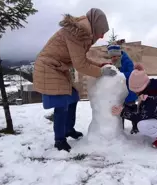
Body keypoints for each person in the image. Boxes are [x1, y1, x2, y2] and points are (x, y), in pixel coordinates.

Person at [33, 8, 117, 152]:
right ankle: (59, 140)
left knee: (73, 97)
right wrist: (101, 72)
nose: (102, 36)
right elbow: (80, 65)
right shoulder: (77, 34)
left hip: (59, 67)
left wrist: (99, 65)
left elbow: (81, 58)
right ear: (95, 27)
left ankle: (68, 129)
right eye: (101, 32)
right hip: (49, 68)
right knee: (61, 104)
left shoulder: (81, 33)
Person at [111, 65, 157, 148]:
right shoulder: (150, 91)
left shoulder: (152, 99)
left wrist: (123, 112)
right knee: (142, 122)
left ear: (140, 88)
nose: (135, 93)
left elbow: (140, 116)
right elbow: (141, 109)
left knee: (142, 125)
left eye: (136, 91)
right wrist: (126, 107)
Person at [106, 42, 139, 134]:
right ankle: (121, 128)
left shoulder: (127, 61)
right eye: (112, 57)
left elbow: (132, 74)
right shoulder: (115, 63)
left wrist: (119, 75)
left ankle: (135, 126)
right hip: (120, 91)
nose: (113, 58)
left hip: (129, 90)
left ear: (119, 54)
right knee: (121, 111)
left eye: (115, 56)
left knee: (131, 109)